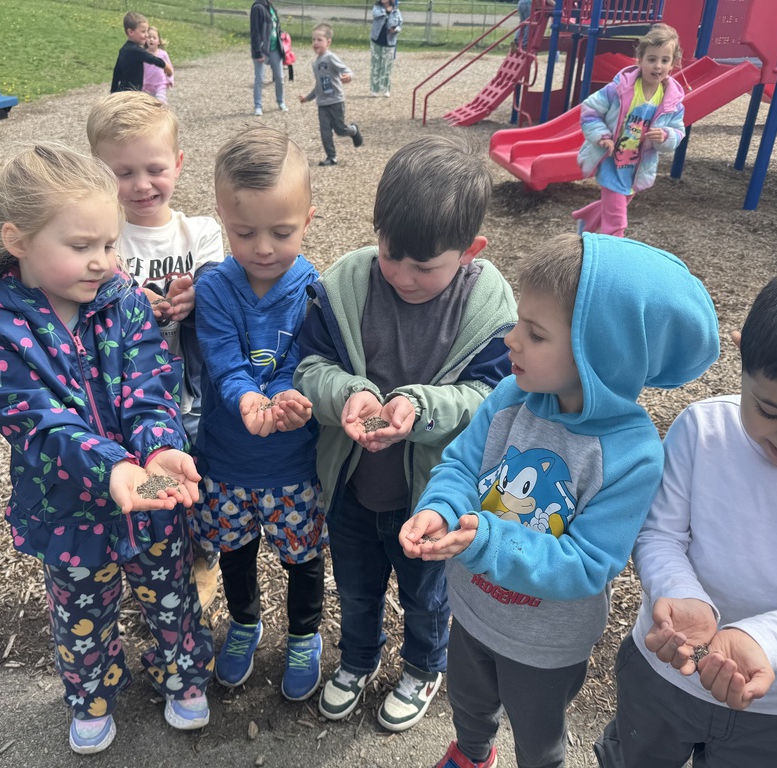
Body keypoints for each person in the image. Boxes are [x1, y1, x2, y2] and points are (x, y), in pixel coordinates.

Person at [400, 232, 721, 768]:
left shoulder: (630, 455)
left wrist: (485, 537)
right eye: (518, 323)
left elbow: (588, 563)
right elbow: (460, 466)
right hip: (473, 609)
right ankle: (472, 753)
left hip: (545, 645)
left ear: (600, 356)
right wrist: (441, 508)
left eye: (535, 333)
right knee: (469, 702)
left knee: (537, 733)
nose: (512, 341)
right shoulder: (510, 397)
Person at [0, 144, 214, 755]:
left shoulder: (123, 302)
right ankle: (92, 695)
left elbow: (152, 389)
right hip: (66, 509)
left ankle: (183, 676)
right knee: (80, 613)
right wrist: (112, 467)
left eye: (108, 243)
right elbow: (37, 425)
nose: (102, 262)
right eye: (81, 247)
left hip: (149, 495)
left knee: (171, 590)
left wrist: (155, 451)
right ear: (17, 240)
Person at [594, 259, 777, 768]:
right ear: (740, 354)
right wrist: (682, 596)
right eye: (770, 410)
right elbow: (661, 533)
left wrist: (760, 640)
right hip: (662, 671)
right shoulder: (704, 431)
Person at [294, 135, 518, 733]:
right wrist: (349, 394)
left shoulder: (490, 311)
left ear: (470, 251)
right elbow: (307, 369)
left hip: (431, 502)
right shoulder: (345, 285)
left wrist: (420, 409)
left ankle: (423, 666)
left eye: (425, 266)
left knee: (427, 596)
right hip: (351, 489)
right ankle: (358, 660)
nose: (403, 276)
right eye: (392, 255)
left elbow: (492, 402)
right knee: (357, 588)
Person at [190, 126, 327, 703]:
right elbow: (221, 357)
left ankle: (305, 633)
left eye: (282, 231)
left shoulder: (315, 286)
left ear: (309, 220)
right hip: (227, 458)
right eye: (245, 232)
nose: (264, 248)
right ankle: (245, 622)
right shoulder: (217, 287)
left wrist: (291, 399)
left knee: (304, 558)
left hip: (295, 461)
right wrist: (249, 398)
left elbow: (309, 356)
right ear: (222, 219)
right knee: (234, 550)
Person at [87, 90, 225, 613]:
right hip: (133, 400)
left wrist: (197, 294)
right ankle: (163, 560)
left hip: (191, 393)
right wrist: (123, 298)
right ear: (99, 175)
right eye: (123, 172)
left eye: (154, 168)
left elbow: (221, 288)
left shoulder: (202, 232)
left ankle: (203, 554)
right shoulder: (104, 237)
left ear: (178, 165)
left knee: (201, 474)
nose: (142, 184)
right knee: (157, 487)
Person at [573, 23, 685, 238]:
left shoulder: (672, 101)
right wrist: (602, 136)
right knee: (617, 221)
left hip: (636, 168)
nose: (657, 66)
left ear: (672, 64)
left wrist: (666, 136)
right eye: (651, 59)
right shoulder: (620, 89)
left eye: (664, 60)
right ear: (640, 60)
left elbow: (678, 131)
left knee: (616, 206)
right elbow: (590, 110)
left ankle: (587, 218)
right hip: (611, 162)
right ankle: (613, 255)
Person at [298, 23, 363, 167]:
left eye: (319, 40)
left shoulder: (330, 58)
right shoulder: (315, 64)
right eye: (313, 40)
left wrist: (349, 76)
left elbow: (346, 70)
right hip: (322, 104)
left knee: (340, 130)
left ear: (328, 42)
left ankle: (353, 130)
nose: (315, 43)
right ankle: (331, 157)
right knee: (325, 131)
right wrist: (307, 98)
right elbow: (319, 85)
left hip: (335, 101)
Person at [111, 11, 172, 93]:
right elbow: (152, 59)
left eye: (147, 31)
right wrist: (166, 66)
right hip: (131, 94)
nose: (147, 35)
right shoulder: (136, 51)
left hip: (122, 92)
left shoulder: (124, 49)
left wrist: (113, 92)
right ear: (130, 32)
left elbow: (116, 73)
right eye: (143, 32)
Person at [250, 0, 287, 115]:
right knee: (259, 79)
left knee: (279, 78)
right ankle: (258, 106)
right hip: (262, 49)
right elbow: (255, 31)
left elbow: (276, 27)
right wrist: (257, 52)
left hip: (275, 48)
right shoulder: (258, 7)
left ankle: (281, 101)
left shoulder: (270, 7)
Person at [369, 0, 403, 98]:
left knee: (387, 67)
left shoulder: (396, 11)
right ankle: (374, 89)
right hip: (377, 40)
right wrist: (386, 11)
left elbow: (400, 24)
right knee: (376, 65)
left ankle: (386, 89)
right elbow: (376, 15)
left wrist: (395, 29)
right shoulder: (377, 8)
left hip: (390, 42)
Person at [143, 26, 174, 103]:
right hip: (146, 86)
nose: (151, 39)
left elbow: (170, 68)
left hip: (160, 85)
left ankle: (164, 113)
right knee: (147, 106)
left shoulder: (163, 54)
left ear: (159, 41)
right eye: (149, 37)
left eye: (154, 38)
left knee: (160, 103)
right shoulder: (142, 54)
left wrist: (170, 79)